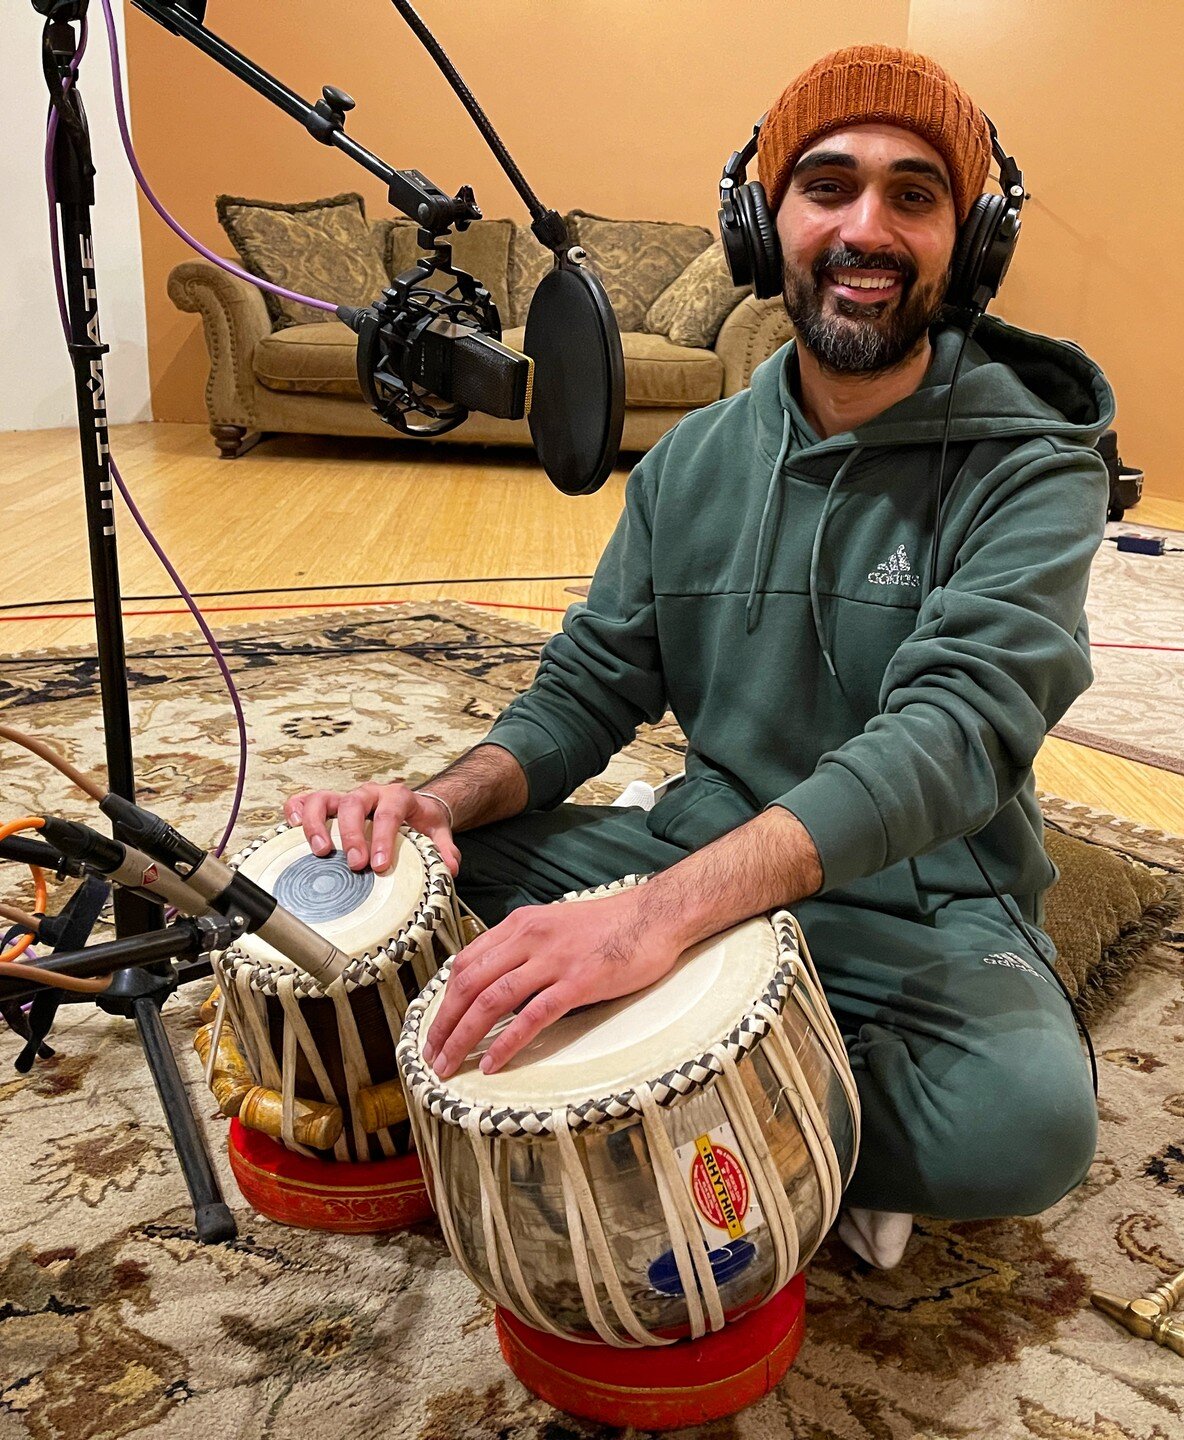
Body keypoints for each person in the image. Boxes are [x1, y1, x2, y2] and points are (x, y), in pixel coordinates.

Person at [287, 44, 1115, 1269]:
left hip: (917, 903)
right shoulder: (691, 460)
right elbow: (588, 685)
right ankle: (772, 1104)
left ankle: (671, 1067)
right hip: (697, 839)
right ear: (761, 222)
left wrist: (648, 926)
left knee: (1026, 1129)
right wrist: (436, 801)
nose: (867, 229)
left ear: (971, 242)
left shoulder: (1037, 467)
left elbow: (955, 735)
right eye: (828, 186)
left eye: (916, 194)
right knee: (402, 890)